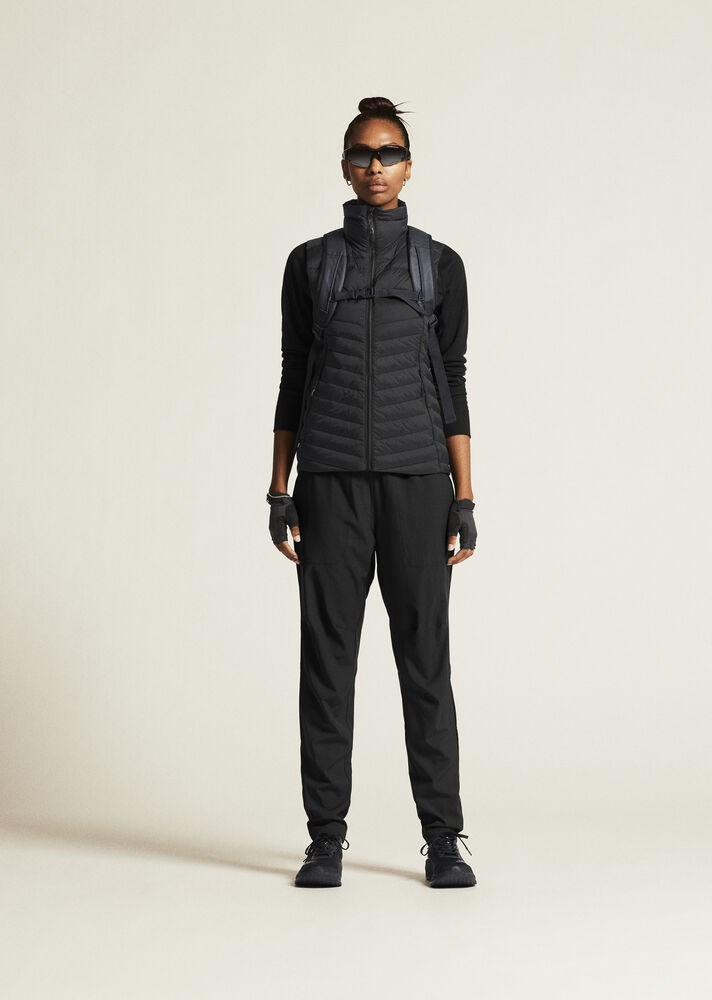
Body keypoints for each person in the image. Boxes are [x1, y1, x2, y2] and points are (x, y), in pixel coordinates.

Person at [267, 96, 478, 889]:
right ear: (345, 167)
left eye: (389, 153)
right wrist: (279, 489)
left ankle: (444, 838)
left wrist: (465, 498)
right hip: (329, 483)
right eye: (362, 154)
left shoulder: (438, 264)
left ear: (409, 166)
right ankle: (325, 838)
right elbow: (293, 376)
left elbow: (452, 379)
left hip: (419, 481)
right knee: (327, 662)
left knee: (425, 662)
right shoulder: (311, 264)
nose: (375, 166)